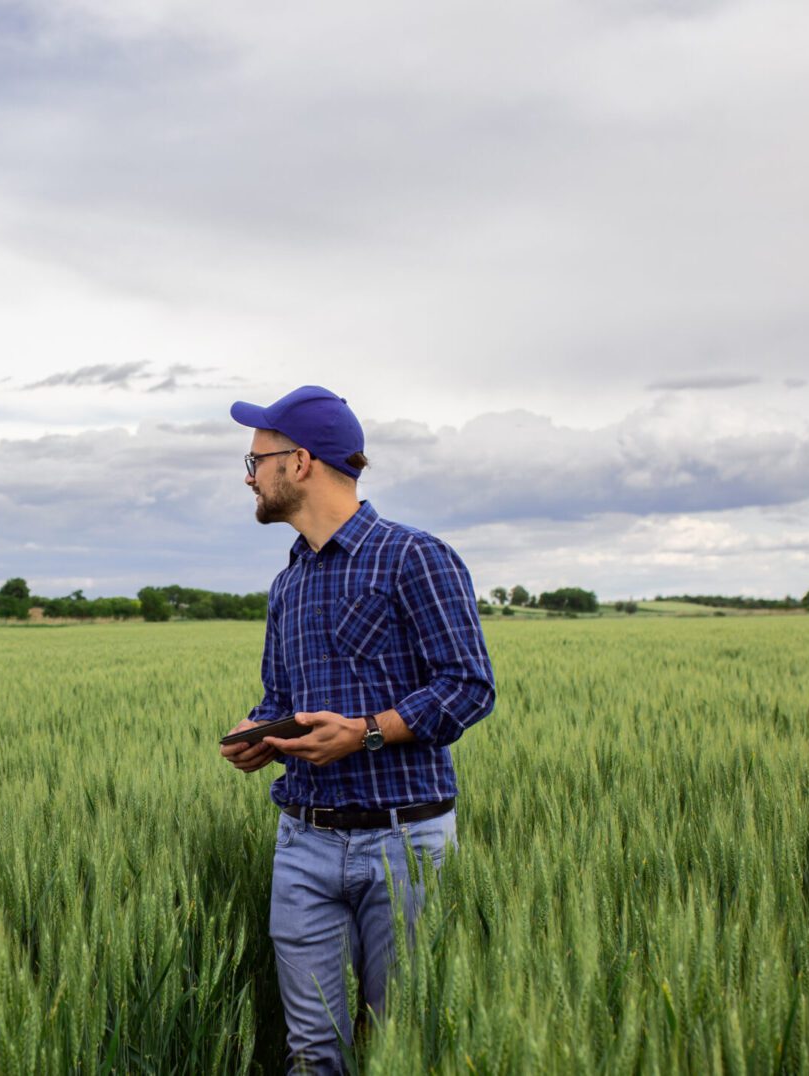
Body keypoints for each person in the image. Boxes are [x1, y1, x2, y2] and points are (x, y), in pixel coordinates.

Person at [218, 385, 494, 1073]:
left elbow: (469, 687)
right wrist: (259, 732)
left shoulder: (414, 558)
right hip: (304, 844)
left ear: (300, 462)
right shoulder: (289, 583)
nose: (249, 477)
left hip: (405, 845)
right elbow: (281, 695)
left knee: (403, 1049)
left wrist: (364, 733)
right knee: (313, 1054)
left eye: (256, 461)